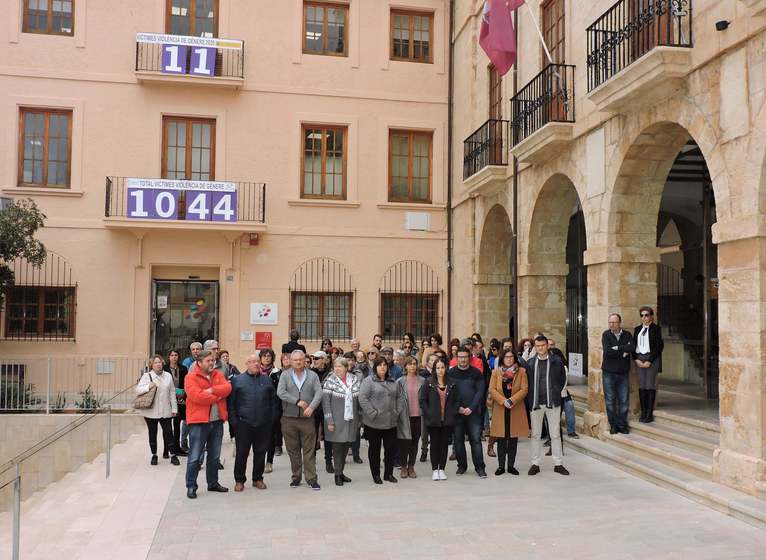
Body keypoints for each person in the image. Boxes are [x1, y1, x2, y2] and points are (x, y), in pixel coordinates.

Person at [184, 349, 232, 499]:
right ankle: (191, 486)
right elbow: (197, 396)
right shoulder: (190, 377)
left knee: (214, 456)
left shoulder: (218, 374)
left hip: (217, 421)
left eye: (212, 361)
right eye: (208, 361)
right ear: (199, 362)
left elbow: (228, 388)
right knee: (195, 456)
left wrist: (211, 390)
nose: (212, 363)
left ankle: (213, 483)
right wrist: (216, 397)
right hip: (199, 422)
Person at [228, 353, 279, 492]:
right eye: (252, 361)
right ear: (247, 364)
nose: (256, 364)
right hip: (243, 424)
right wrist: (234, 422)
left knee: (260, 452)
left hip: (263, 424)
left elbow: (274, 402)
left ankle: (257, 478)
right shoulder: (237, 380)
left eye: (257, 361)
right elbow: (231, 404)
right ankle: (239, 480)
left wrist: (272, 420)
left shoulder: (267, 381)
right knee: (242, 453)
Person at [277, 350, 323, 490]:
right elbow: (281, 392)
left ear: (305, 360)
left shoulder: (313, 375)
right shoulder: (285, 375)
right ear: (290, 361)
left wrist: (312, 407)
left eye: (301, 359)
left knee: (309, 450)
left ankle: (311, 478)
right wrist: (296, 401)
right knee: (293, 450)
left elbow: (319, 393)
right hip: (288, 418)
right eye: (295, 360)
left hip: (307, 419)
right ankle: (296, 477)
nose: (298, 362)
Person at [525, 335, 570, 476]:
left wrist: (556, 391)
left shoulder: (557, 361)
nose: (540, 348)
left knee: (555, 434)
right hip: (536, 403)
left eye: (543, 345)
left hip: (553, 403)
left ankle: (558, 463)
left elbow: (562, 379)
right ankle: (535, 463)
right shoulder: (530, 363)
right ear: (535, 347)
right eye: (537, 346)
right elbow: (527, 382)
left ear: (547, 345)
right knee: (536, 435)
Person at [359, 357, 407, 484]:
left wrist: (396, 412)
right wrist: (372, 413)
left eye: (385, 365)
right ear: (375, 367)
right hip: (373, 422)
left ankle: (388, 474)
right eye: (379, 365)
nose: (382, 367)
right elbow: (362, 398)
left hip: (391, 422)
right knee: (374, 450)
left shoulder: (393, 381)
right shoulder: (368, 381)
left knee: (390, 449)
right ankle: (376, 474)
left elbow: (400, 398)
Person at [447, 346, 487, 478]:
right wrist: (458, 408)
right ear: (456, 358)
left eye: (465, 357)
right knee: (458, 441)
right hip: (457, 412)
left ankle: (480, 468)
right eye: (460, 357)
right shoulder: (451, 373)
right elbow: (449, 394)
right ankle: (462, 466)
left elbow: (480, 392)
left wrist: (472, 407)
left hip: (473, 412)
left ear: (469, 357)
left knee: (475, 440)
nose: (463, 359)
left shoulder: (476, 373)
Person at [322, 357, 362, 486]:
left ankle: (341, 471)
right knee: (337, 448)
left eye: (340, 366)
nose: (337, 369)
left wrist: (360, 418)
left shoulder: (354, 380)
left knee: (346, 446)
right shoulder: (330, 381)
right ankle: (337, 474)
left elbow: (359, 400)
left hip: (350, 420)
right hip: (336, 421)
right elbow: (326, 403)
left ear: (346, 368)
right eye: (335, 366)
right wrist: (329, 421)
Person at [488, 349, 528, 475]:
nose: (509, 359)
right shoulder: (496, 372)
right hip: (500, 408)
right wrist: (503, 400)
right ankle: (501, 466)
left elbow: (524, 389)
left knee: (512, 438)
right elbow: (492, 389)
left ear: (515, 358)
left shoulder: (521, 371)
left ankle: (511, 465)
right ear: (502, 359)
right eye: (506, 357)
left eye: (511, 357)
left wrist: (512, 400)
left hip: (515, 408)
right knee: (501, 438)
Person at [137, 355, 180, 466]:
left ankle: (173, 455)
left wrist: (174, 408)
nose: (158, 364)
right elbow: (138, 390)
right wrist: (148, 387)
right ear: (152, 364)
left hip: (166, 410)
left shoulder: (168, 376)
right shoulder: (147, 376)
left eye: (160, 362)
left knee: (169, 432)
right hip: (151, 411)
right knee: (152, 433)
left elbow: (172, 393)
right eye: (156, 362)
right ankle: (154, 455)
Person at [419, 356, 457, 480]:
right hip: (433, 420)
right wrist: (429, 413)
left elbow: (456, 401)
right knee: (435, 444)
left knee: (444, 445)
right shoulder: (428, 382)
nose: (440, 370)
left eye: (442, 367)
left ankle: (442, 469)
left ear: (446, 368)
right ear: (434, 369)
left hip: (447, 419)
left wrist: (452, 412)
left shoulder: (451, 383)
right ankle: (435, 469)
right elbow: (422, 400)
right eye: (438, 368)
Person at [602, 313, 635, 434]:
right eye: (610, 322)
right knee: (610, 400)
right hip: (608, 372)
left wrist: (617, 348)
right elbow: (607, 352)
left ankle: (622, 425)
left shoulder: (627, 334)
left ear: (619, 323)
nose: (611, 324)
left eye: (614, 322)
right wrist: (623, 350)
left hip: (623, 373)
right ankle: (613, 425)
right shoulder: (606, 335)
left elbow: (632, 348)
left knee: (623, 400)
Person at [633, 306, 664, 423]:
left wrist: (649, 361)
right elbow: (633, 345)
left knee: (649, 385)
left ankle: (649, 414)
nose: (644, 318)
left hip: (652, 359)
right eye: (642, 315)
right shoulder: (637, 329)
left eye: (646, 315)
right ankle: (643, 412)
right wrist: (636, 359)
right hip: (639, 359)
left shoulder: (656, 329)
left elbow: (659, 346)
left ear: (651, 316)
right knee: (642, 385)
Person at [396, 357, 425, 479]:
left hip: (418, 416)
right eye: (410, 364)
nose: (412, 366)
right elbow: (396, 399)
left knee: (414, 442)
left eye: (414, 364)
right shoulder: (399, 381)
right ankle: (403, 466)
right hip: (404, 416)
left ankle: (411, 466)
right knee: (404, 442)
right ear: (405, 366)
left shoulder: (423, 381)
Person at [266, 351, 288, 473]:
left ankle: (269, 460)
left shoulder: (277, 373)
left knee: (273, 432)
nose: (266, 358)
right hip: (261, 408)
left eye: (269, 356)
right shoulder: (257, 372)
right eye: (264, 356)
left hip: (275, 405)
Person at [165, 349, 188, 456]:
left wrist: (183, 395)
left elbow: (186, 383)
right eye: (172, 355)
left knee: (177, 424)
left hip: (180, 399)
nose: (174, 357)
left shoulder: (183, 368)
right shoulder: (164, 369)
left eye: (176, 355)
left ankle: (177, 448)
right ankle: (167, 449)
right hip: (167, 400)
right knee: (167, 426)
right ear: (168, 357)